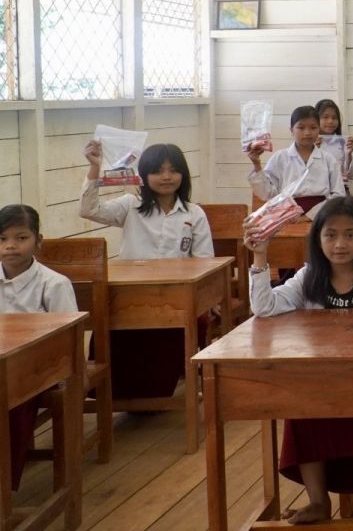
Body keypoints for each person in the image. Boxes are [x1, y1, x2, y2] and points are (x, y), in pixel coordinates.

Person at [245, 196, 353, 530]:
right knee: (301, 406)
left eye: (350, 235)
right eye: (330, 235)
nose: (339, 244)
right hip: (321, 379)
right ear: (317, 239)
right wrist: (260, 255)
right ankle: (318, 500)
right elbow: (263, 308)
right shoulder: (309, 277)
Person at [80, 141, 214, 401]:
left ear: (183, 175)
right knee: (111, 319)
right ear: (144, 176)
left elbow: (203, 260)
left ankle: (155, 393)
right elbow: (89, 209)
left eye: (173, 170)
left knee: (178, 329)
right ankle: (111, 392)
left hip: (173, 297)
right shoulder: (130, 205)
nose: (166, 177)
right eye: (158, 171)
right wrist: (95, 168)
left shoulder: (194, 213)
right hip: (129, 295)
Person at [1, 205, 78, 493]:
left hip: (39, 372)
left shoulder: (54, 284)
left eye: (21, 238)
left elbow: (68, 342)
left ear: (38, 241)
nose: (10, 246)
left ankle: (6, 483)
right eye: (2, 239)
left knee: (13, 400)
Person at [248, 105, 345, 213]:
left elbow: (339, 194)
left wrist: (312, 215)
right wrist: (257, 165)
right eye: (301, 127)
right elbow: (267, 194)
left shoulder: (328, 159)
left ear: (319, 129)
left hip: (321, 216)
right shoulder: (280, 158)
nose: (307, 133)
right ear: (291, 130)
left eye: (313, 128)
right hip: (286, 215)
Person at [314, 98, 353, 189]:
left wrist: (349, 154)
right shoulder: (309, 143)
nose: (330, 121)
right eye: (325, 117)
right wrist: (312, 149)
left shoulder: (343, 143)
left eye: (334, 117)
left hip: (340, 191)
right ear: (316, 119)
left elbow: (351, 175)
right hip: (317, 192)